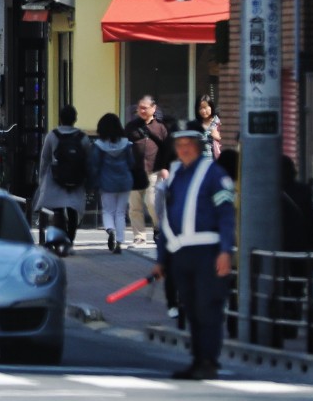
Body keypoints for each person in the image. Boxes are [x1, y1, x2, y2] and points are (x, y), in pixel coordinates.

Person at [150, 127, 235, 380]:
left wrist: (225, 251)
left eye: (189, 144)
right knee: (191, 309)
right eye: (180, 144)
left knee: (208, 308)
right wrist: (161, 260)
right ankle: (198, 359)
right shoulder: (177, 176)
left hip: (208, 252)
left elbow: (226, 215)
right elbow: (168, 221)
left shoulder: (215, 174)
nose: (184, 149)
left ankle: (209, 360)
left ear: (199, 146)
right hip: (181, 255)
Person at [32, 105, 87, 246]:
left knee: (58, 209)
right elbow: (89, 158)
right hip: (76, 178)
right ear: (75, 119)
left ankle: (60, 238)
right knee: (72, 210)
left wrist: (42, 178)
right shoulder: (82, 137)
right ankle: (70, 239)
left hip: (56, 178)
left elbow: (45, 159)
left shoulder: (52, 135)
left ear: (60, 119)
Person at [88, 114, 142, 254]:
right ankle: (119, 241)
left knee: (108, 211)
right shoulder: (126, 144)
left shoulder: (99, 145)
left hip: (107, 183)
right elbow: (131, 163)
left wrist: (93, 182)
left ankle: (110, 230)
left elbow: (94, 165)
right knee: (120, 212)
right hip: (124, 181)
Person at [125, 95, 172, 248]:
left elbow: (167, 149)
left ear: (154, 108)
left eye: (145, 108)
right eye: (140, 108)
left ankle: (158, 228)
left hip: (154, 170)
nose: (142, 110)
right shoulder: (131, 126)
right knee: (135, 206)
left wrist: (166, 167)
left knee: (152, 203)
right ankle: (139, 236)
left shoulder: (161, 127)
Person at [194, 94, 223, 160]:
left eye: (205, 107)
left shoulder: (219, 124)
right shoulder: (195, 125)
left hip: (216, 162)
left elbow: (229, 143)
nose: (203, 111)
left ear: (211, 107)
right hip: (199, 162)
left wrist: (218, 137)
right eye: (200, 108)